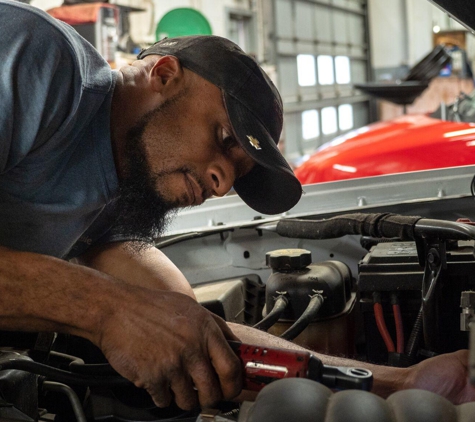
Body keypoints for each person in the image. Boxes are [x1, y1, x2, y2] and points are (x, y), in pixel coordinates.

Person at [0, 0, 474, 413]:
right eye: (224, 139)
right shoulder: (43, 59)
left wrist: (404, 383)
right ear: (164, 74)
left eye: (239, 173)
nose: (222, 182)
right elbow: (125, 311)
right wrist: (108, 310)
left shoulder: (113, 211)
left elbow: (199, 339)